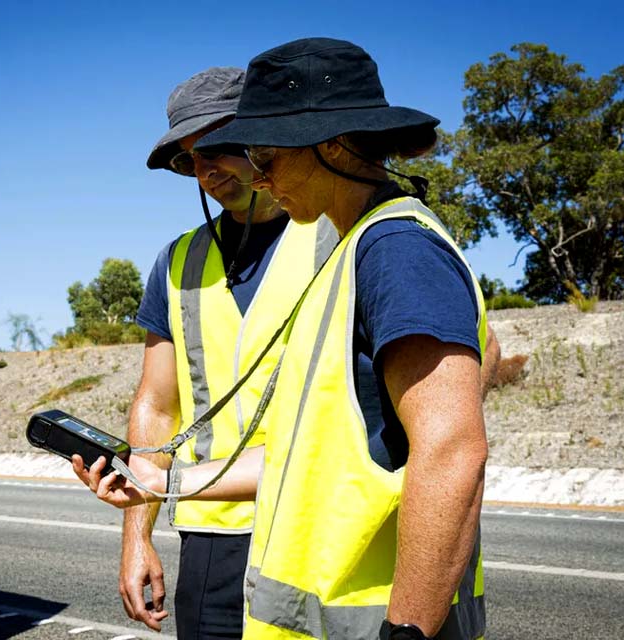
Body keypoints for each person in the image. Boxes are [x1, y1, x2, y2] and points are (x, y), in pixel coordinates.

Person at [76, 38, 496, 640]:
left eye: (262, 154)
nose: (259, 174)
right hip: (275, 560)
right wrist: (161, 484)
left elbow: (452, 449)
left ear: (328, 144)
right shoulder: (343, 249)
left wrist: (408, 631)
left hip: (367, 591)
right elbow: (307, 448)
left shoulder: (391, 249)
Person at [122, 66, 338, 639]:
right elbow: (157, 406)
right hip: (213, 534)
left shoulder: (338, 233)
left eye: (219, 145)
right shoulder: (178, 262)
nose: (207, 167)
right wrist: (137, 535)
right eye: (191, 158)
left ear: (265, 140)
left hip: (317, 526)